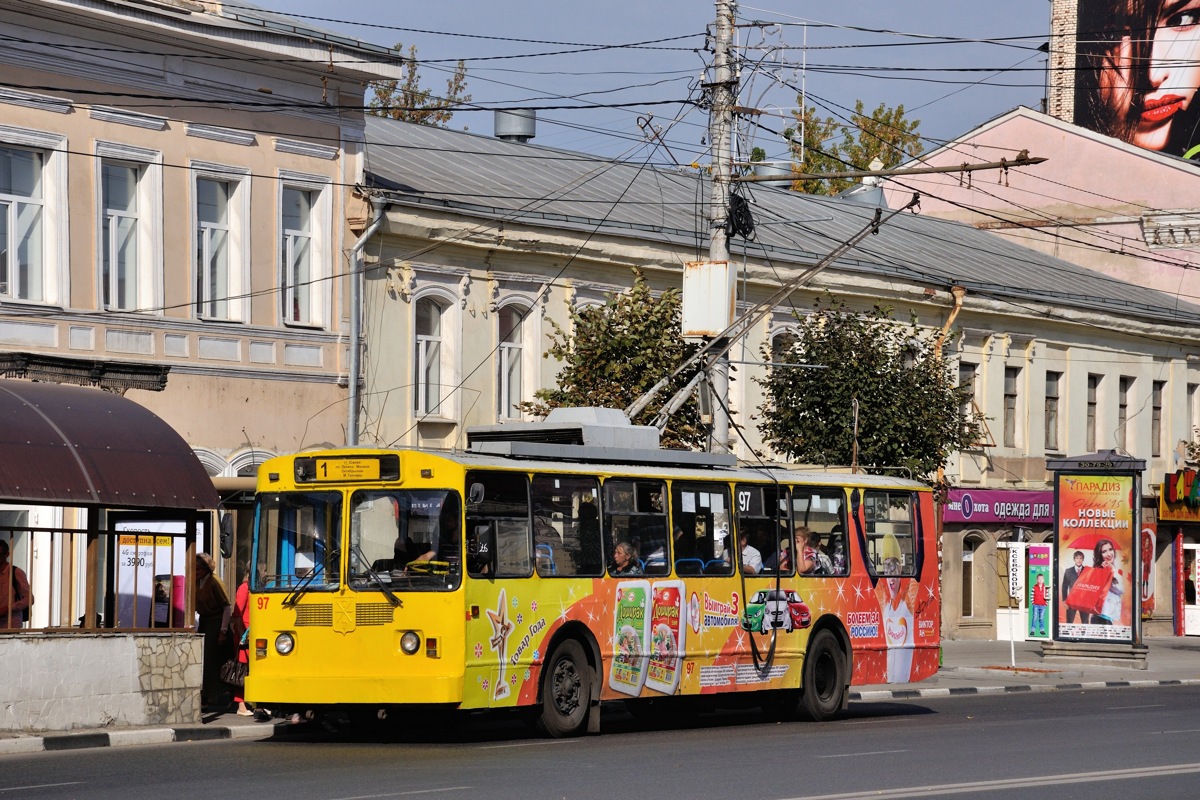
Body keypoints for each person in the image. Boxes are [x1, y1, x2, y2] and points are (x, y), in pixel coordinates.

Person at [194, 552, 232, 710]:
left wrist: (223, 631)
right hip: (205, 622)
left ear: (205, 568)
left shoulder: (214, 581)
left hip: (216, 623)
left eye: (198, 569)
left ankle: (212, 698)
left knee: (211, 661)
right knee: (203, 660)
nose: (195, 572)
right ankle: (207, 697)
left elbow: (227, 607)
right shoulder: (197, 582)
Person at [231, 567, 253, 716]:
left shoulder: (254, 588)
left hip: (253, 634)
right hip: (244, 636)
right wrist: (241, 636)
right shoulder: (244, 588)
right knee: (242, 670)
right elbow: (237, 615)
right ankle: (241, 705)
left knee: (251, 669)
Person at [0, 539, 31, 630]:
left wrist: (9, 608)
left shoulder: (16, 572)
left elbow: (29, 599)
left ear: (7, 554)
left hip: (10, 625)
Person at [1093, 538, 1125, 625]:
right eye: (1104, 551)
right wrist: (1112, 570)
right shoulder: (1101, 570)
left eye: (1110, 549)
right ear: (1099, 555)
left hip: (1107, 616)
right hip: (1102, 616)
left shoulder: (1111, 568)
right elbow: (1121, 589)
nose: (1109, 554)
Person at [1061, 550, 1088, 624]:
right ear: (1074, 559)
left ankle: (1084, 635)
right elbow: (1064, 586)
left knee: (1085, 622)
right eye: (1077, 558)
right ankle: (1068, 636)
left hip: (1084, 601)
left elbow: (1090, 587)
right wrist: (1064, 600)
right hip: (1071, 600)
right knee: (1069, 621)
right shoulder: (1068, 571)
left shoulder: (1087, 571)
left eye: (1080, 558)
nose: (1079, 560)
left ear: (1083, 559)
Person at [1030, 572, 1048, 637]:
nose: (1040, 580)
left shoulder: (1045, 588)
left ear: (1043, 580)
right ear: (1037, 580)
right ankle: (1033, 630)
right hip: (1036, 605)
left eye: (1041, 579)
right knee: (1034, 617)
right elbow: (1032, 595)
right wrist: (1032, 602)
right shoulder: (1034, 587)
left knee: (1041, 618)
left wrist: (1046, 603)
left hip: (1043, 605)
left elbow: (1047, 595)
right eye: (1039, 579)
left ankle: (1042, 630)